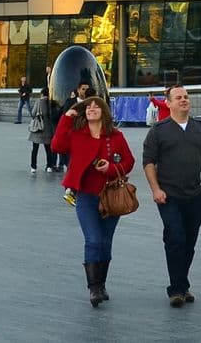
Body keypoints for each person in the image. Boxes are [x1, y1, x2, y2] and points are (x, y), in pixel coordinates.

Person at [52, 95, 135, 307]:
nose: (91, 109)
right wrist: (66, 118)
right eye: (87, 107)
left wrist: (110, 168)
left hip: (110, 197)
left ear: (104, 112)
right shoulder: (77, 135)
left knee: (106, 242)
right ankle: (93, 289)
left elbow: (129, 161)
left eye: (96, 107)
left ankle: (102, 283)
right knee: (93, 240)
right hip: (86, 197)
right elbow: (57, 146)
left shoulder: (115, 136)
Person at [142, 85, 201, 307]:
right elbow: (148, 162)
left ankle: (182, 284)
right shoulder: (158, 130)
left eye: (186, 97)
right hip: (168, 196)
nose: (184, 100)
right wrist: (156, 189)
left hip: (195, 195)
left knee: (189, 241)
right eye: (178, 97)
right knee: (176, 237)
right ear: (168, 103)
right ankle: (176, 289)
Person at [28, 87, 55, 174]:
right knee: (48, 149)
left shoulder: (39, 102)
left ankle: (33, 166)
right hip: (48, 129)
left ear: (42, 94)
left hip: (38, 128)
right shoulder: (51, 103)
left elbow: (33, 113)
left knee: (35, 149)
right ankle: (49, 166)